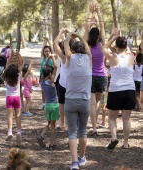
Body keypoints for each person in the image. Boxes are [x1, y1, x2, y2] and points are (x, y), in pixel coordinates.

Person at [102, 28, 135, 150]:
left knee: (112, 118)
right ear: (126, 46)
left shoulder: (112, 57)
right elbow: (126, 49)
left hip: (116, 91)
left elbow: (104, 47)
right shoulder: (131, 56)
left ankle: (114, 137)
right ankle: (126, 143)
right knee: (126, 118)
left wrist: (113, 37)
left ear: (116, 46)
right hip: (129, 90)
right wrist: (120, 38)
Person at [64, 32, 92, 170]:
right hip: (85, 101)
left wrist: (69, 36)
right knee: (83, 131)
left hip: (70, 100)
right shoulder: (89, 58)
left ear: (73, 50)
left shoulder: (70, 57)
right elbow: (87, 48)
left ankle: (74, 162)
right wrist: (81, 36)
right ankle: (82, 158)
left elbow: (65, 47)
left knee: (72, 133)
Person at [84, 2, 107, 135]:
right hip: (102, 77)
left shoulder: (87, 45)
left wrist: (90, 13)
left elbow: (86, 28)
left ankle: (93, 128)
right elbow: (102, 25)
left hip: (90, 77)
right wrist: (98, 12)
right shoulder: (102, 44)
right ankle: (95, 123)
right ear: (98, 35)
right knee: (97, 103)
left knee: (92, 103)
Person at [37, 54, 59, 151]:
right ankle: (51, 144)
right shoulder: (52, 83)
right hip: (54, 105)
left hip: (47, 105)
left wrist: (48, 59)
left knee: (49, 124)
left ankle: (42, 135)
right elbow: (56, 67)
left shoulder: (42, 81)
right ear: (50, 74)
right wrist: (52, 57)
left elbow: (44, 68)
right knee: (53, 126)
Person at [2, 50, 23, 144]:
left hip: (9, 97)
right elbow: (21, 62)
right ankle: (19, 132)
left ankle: (10, 132)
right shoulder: (19, 75)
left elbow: (7, 65)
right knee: (18, 116)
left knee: (10, 116)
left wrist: (10, 54)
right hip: (17, 98)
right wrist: (17, 54)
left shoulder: (6, 76)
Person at [38, 37, 53, 110]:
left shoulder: (52, 58)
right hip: (42, 76)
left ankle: (49, 103)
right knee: (43, 90)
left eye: (48, 51)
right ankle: (44, 103)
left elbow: (52, 49)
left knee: (51, 90)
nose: (46, 52)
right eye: (45, 51)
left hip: (50, 76)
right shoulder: (43, 57)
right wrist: (45, 41)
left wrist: (49, 41)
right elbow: (42, 49)